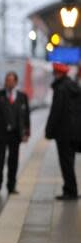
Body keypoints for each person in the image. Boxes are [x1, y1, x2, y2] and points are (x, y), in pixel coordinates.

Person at [0, 71, 30, 195]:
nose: (9, 83)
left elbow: (26, 116)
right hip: (1, 134)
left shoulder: (22, 97)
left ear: (16, 82)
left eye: (11, 81)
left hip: (16, 135)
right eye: (7, 80)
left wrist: (26, 133)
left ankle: (11, 186)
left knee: (13, 161)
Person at [45, 62, 81, 200]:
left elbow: (56, 112)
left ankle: (70, 191)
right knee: (69, 162)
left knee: (66, 162)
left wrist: (49, 130)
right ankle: (70, 189)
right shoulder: (74, 87)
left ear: (58, 74)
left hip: (64, 133)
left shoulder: (61, 89)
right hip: (75, 132)